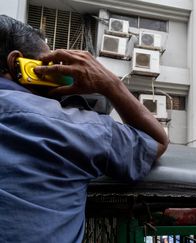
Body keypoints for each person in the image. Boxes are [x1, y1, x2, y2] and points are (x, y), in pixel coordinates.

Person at [0, 15, 169, 242]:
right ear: (16, 64)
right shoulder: (70, 126)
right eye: (46, 65)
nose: (55, 75)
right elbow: (154, 141)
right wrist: (110, 83)